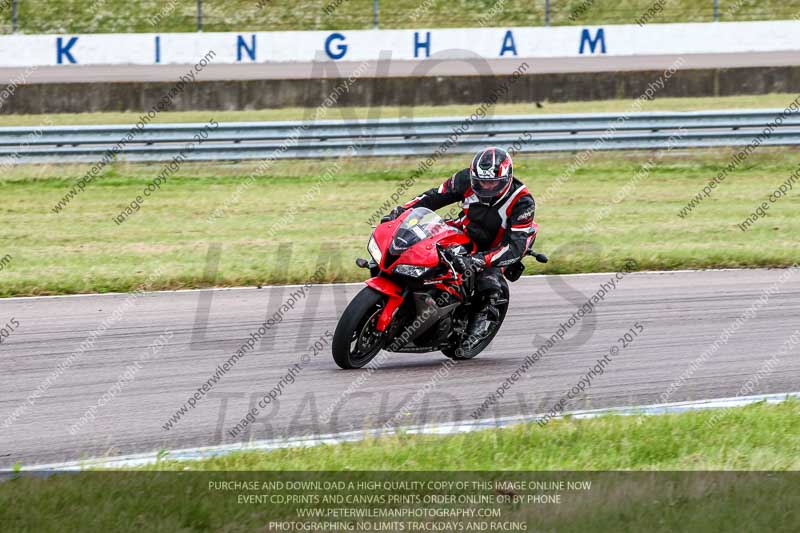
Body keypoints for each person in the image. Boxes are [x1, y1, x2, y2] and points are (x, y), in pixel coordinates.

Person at [382, 147, 536, 342]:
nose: (486, 187)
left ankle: (480, 319)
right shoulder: (465, 179)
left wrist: (480, 260)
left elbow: (516, 246)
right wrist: (401, 211)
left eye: (493, 183)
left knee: (487, 279)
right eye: (481, 182)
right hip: (465, 231)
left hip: (498, 247)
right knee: (421, 242)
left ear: (507, 179)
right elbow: (433, 197)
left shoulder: (523, 202)